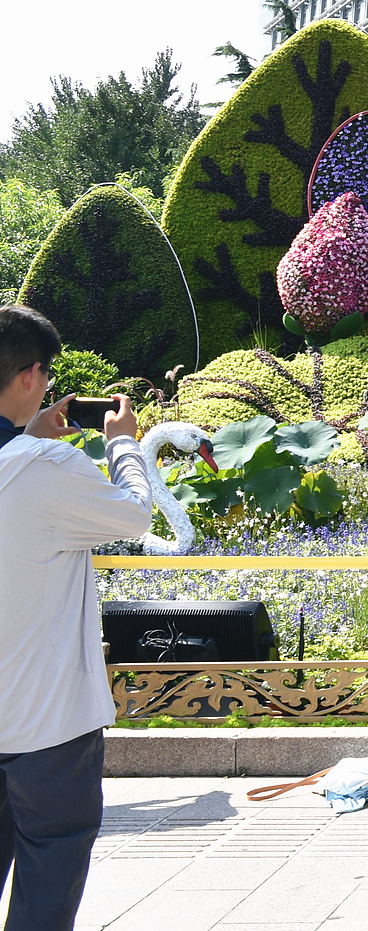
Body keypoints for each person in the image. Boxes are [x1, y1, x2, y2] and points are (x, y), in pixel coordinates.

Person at [0, 305, 153, 930]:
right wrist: (123, 444)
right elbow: (135, 516)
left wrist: (29, 434)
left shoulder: (33, 458)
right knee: (49, 870)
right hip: (45, 724)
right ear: (33, 376)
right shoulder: (48, 468)